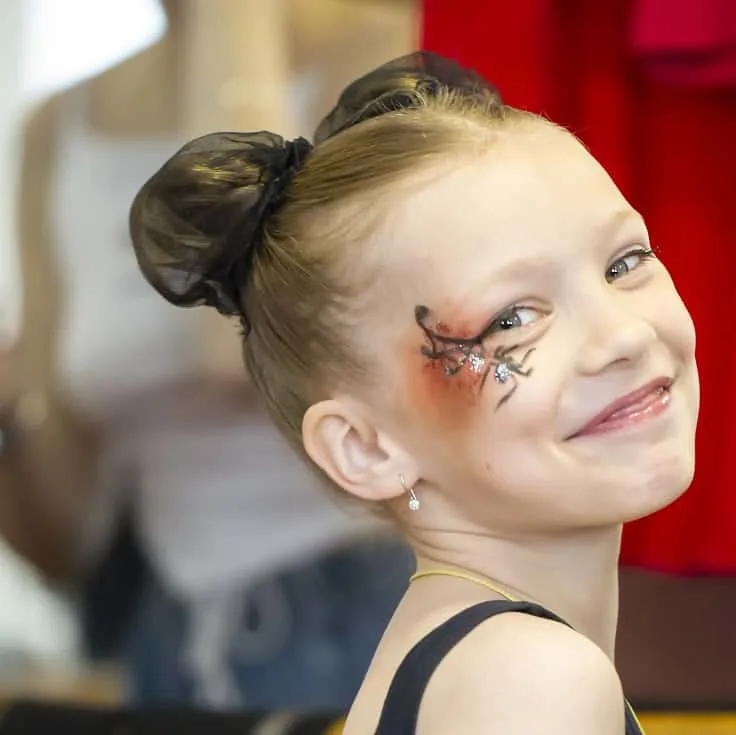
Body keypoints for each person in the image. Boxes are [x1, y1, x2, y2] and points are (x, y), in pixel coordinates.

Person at [130, 52, 699, 733]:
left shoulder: (477, 659)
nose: (623, 334)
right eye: (511, 318)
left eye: (624, 262)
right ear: (367, 447)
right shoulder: (529, 677)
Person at [1, 0, 416, 710]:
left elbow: (234, 344)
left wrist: (233, 17)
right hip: (170, 625)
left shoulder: (387, 54)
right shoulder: (58, 126)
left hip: (369, 602)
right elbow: (65, 527)